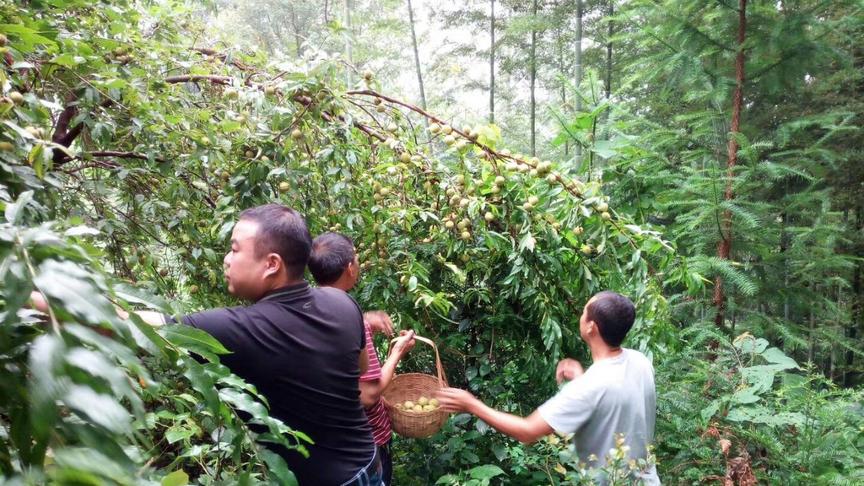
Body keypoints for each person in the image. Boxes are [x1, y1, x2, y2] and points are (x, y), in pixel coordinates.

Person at [34, 204, 381, 486]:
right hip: (369, 463)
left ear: (271, 264)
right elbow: (361, 369)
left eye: (234, 249)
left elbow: (124, 324)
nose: (227, 260)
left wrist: (23, 294)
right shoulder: (342, 303)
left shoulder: (242, 328)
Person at [436, 291, 660, 485]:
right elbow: (611, 396)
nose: (580, 315)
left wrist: (472, 404)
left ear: (592, 326)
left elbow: (527, 431)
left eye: (584, 311)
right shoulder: (640, 362)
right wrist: (582, 378)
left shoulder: (589, 387)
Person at [308, 231, 415, 486]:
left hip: (329, 443)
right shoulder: (351, 319)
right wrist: (398, 352)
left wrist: (366, 318)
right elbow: (368, 396)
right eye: (356, 259)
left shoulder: (306, 308)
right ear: (349, 268)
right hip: (366, 444)